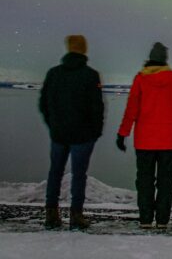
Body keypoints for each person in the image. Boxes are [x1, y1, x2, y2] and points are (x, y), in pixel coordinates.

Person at [116, 42, 172, 229]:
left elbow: (131, 109)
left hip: (145, 141)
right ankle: (163, 220)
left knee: (145, 180)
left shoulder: (140, 79)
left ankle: (146, 219)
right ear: (165, 59)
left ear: (150, 58)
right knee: (166, 181)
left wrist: (123, 133)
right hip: (169, 140)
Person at [39, 35, 104, 230]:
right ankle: (76, 215)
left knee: (55, 172)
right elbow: (97, 108)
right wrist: (95, 131)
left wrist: (53, 125)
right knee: (79, 174)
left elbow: (43, 104)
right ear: (84, 50)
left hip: (59, 134)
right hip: (83, 136)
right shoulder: (90, 75)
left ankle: (51, 213)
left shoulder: (54, 73)